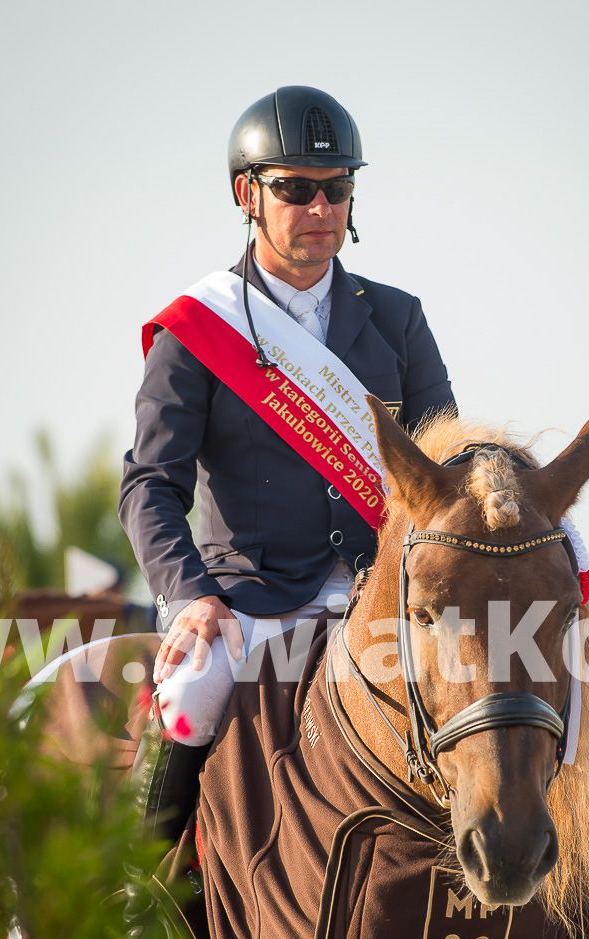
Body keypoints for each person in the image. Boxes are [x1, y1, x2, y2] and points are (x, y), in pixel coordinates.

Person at [119, 85, 456, 843]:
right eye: (296, 190)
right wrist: (190, 596)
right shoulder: (196, 331)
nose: (321, 208)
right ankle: (140, 885)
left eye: (337, 188)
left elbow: (444, 462)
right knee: (191, 692)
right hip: (249, 598)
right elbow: (149, 485)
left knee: (498, 688)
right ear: (248, 195)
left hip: (383, 594)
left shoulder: (398, 317)